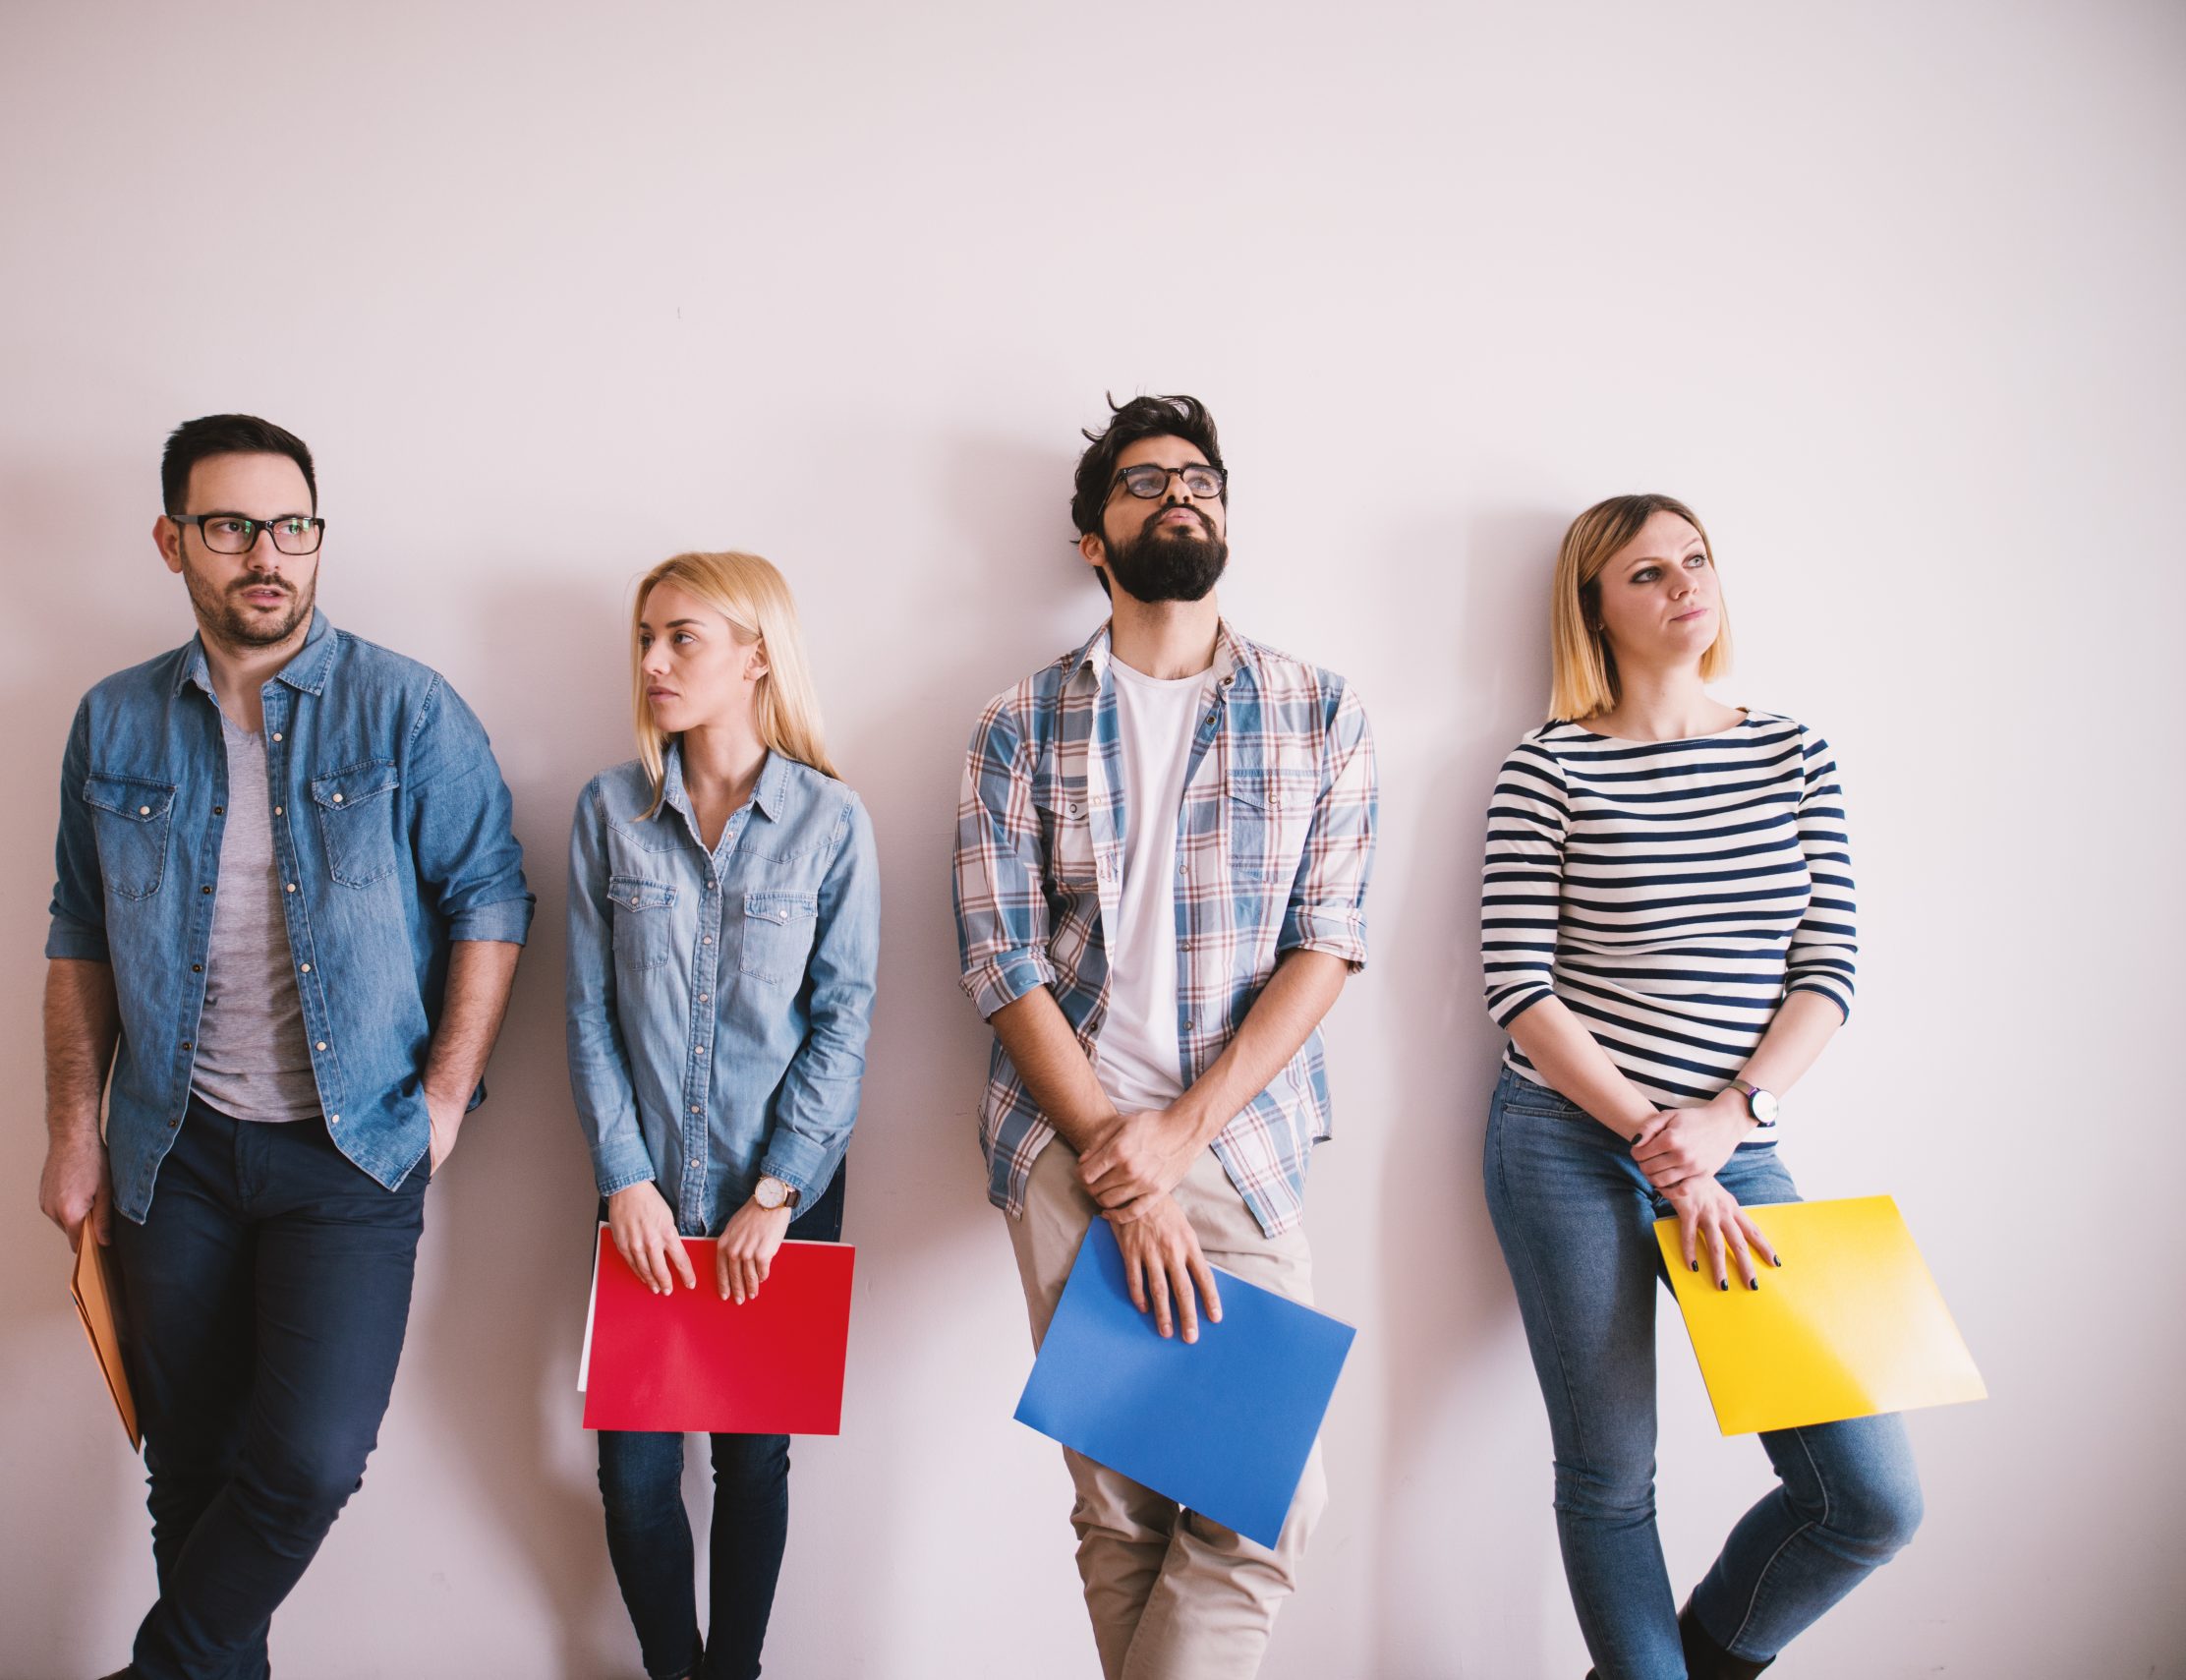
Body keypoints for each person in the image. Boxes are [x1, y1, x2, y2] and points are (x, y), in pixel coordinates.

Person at [37, 414, 533, 1680]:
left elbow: (489, 894)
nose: (268, 553)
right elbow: (79, 932)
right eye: (230, 525)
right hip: (171, 1149)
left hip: (351, 1149)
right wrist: (72, 1134)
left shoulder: (406, 707)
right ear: (173, 541)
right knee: (190, 1465)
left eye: (293, 525)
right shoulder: (113, 723)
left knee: (309, 1459)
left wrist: (443, 1098)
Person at [951, 395, 1378, 1680]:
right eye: (1141, 483)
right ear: (1094, 539)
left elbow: (1329, 942)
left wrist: (1176, 1140)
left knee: (1262, 1505)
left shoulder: (1318, 709)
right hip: (1064, 1149)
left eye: (1199, 477)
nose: (1178, 495)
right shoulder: (1016, 722)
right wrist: (1111, 1157)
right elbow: (1000, 959)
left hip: (1236, 1146)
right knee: (1124, 1508)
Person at [1478, 493, 1925, 1680]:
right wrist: (1648, 1134)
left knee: (1870, 1496)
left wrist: (1728, 1122)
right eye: (1644, 572)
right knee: (1611, 1478)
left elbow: (1826, 967)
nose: (1683, 584)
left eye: (1695, 559)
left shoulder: (1791, 750)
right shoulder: (1549, 763)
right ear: (1595, 607)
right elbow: (1517, 984)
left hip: (1737, 1147)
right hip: (1564, 1141)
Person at [566, 550, 880, 1680]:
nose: (651, 660)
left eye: (680, 636)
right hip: (642, 1193)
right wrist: (624, 1177)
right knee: (634, 1472)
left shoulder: (832, 822)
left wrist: (777, 1192)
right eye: (644, 635)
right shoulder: (611, 810)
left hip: (777, 1199)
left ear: (756, 653)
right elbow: (589, 1013)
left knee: (754, 1460)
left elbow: (845, 1022)